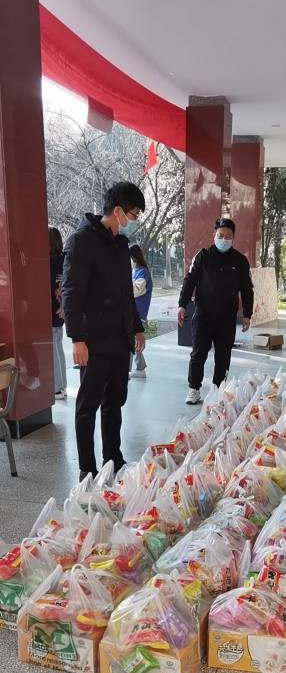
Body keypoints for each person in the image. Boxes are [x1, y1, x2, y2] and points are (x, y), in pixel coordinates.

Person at [62, 182, 146, 481]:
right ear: (118, 211)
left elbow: (126, 293)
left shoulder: (120, 245)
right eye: (133, 215)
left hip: (120, 339)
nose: (134, 221)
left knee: (115, 402)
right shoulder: (81, 241)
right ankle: (87, 468)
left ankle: (114, 458)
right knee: (88, 406)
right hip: (94, 340)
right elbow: (71, 293)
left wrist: (136, 328)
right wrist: (77, 338)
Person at [178, 217, 254, 404]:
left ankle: (218, 390)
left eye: (228, 236)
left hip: (227, 318)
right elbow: (190, 281)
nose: (224, 239)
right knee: (198, 354)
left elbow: (247, 289)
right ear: (214, 235)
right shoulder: (203, 256)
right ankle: (194, 389)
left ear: (233, 238)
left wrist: (247, 314)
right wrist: (182, 304)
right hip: (203, 316)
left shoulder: (240, 261)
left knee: (223, 356)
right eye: (220, 235)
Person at [49, 227, 67, 400]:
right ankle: (62, 386)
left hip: (51, 308)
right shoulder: (64, 258)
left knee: (53, 349)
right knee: (58, 346)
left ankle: (56, 388)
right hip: (61, 309)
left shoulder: (48, 261)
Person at [129, 243, 152, 379]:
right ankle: (140, 368)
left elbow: (136, 291)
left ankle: (135, 369)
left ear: (133, 257)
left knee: (131, 342)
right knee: (133, 342)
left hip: (138, 314)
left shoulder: (142, 272)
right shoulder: (136, 271)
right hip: (134, 313)